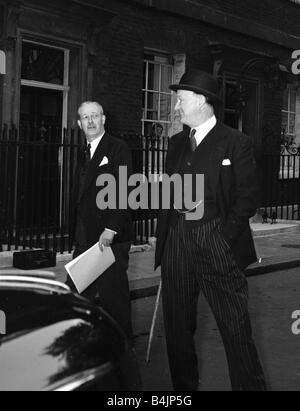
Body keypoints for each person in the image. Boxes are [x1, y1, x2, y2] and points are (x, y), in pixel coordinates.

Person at [155, 70, 267, 391]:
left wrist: (223, 237)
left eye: (181, 100)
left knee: (235, 330)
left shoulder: (236, 142)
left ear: (202, 101)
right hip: (177, 242)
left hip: (217, 242)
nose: (176, 107)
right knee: (176, 332)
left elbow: (248, 196)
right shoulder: (176, 143)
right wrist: (165, 237)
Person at [67, 101, 134, 341]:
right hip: (86, 238)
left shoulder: (118, 148)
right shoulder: (83, 150)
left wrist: (111, 229)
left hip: (109, 238)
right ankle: (77, 347)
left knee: (113, 298)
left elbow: (125, 189)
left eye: (95, 116)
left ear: (103, 119)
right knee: (76, 294)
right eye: (86, 118)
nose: (91, 121)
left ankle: (123, 350)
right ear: (79, 123)